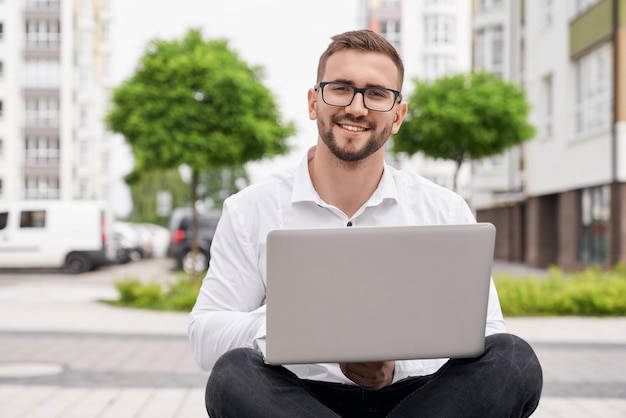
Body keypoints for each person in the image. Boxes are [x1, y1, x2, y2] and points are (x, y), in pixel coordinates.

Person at [189, 29, 543, 418]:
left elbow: (488, 332)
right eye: (341, 88)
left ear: (398, 115)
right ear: (313, 102)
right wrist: (292, 324)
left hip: (420, 402)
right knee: (231, 377)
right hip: (297, 400)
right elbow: (205, 338)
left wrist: (394, 369)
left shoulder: (443, 209)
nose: (356, 107)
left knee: (514, 359)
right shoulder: (250, 209)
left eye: (376, 94)